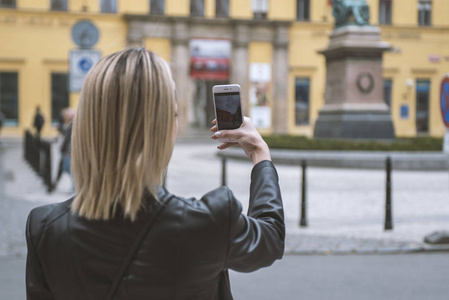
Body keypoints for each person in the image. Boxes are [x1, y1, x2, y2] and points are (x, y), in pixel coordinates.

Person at [25, 48, 284, 299]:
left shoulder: (45, 229)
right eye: (174, 114)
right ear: (161, 127)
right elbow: (270, 237)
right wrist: (260, 154)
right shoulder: (209, 221)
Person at [52, 108, 75, 192]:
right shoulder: (69, 125)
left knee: (68, 169)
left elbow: (67, 139)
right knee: (64, 168)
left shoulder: (72, 126)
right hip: (66, 152)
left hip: (67, 153)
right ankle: (55, 183)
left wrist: (63, 149)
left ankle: (74, 189)